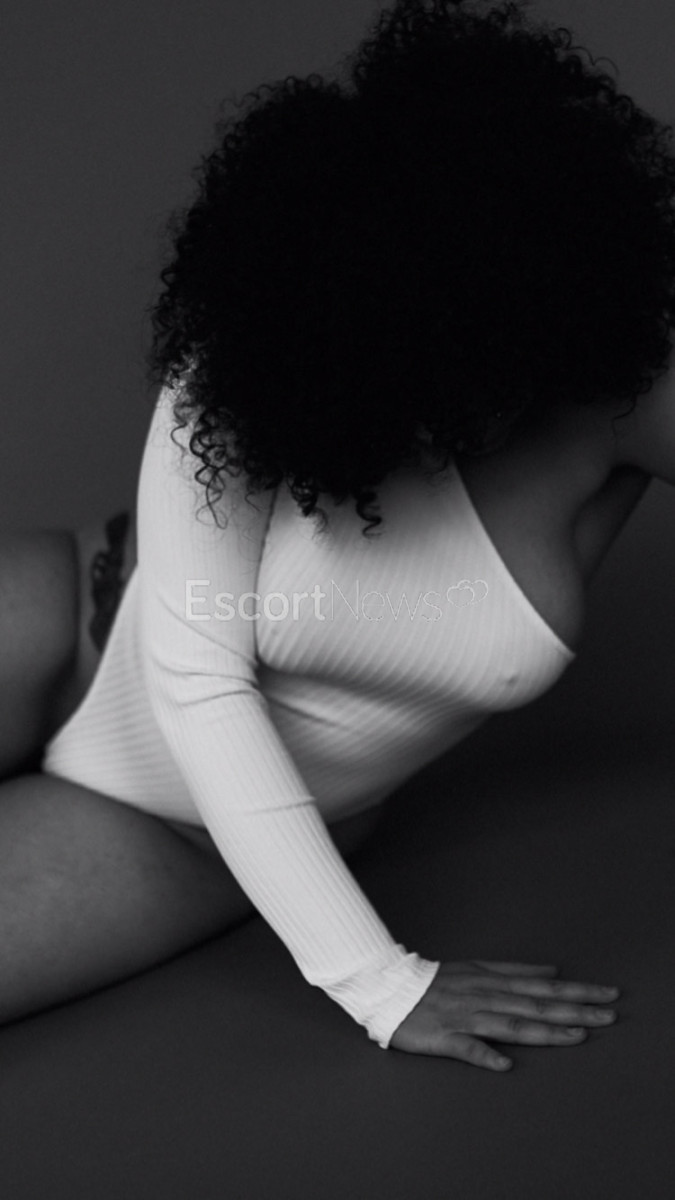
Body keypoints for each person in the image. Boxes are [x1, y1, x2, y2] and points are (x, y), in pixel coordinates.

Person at [1, 0, 674, 1069]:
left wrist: (386, 980)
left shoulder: (626, 389)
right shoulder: (256, 343)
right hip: (69, 622)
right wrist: (379, 982)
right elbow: (196, 678)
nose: (424, 438)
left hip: (178, 832)